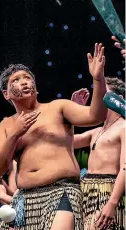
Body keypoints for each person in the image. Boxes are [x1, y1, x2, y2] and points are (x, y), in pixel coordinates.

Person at [0, 43, 108, 230]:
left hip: (61, 191)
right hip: (25, 199)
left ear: (36, 87)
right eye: (16, 80)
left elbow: (97, 116)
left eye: (27, 78)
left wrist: (98, 79)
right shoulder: (7, 125)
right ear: (6, 94)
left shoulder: (58, 107)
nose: (24, 82)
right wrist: (15, 133)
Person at [72, 77, 125, 230]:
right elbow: (66, 142)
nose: (98, 98)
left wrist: (112, 202)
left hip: (107, 193)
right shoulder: (96, 131)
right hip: (87, 193)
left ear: (118, 99)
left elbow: (125, 167)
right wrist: (74, 114)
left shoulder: (124, 128)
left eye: (103, 93)